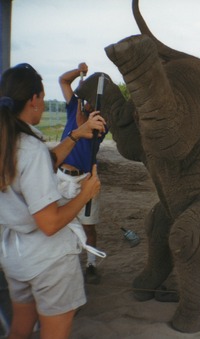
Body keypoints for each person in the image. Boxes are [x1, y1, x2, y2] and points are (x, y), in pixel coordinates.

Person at [0, 63, 106, 338]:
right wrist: (85, 193)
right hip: (48, 262)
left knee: (20, 328)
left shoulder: (8, 141)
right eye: (43, 98)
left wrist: (74, 135)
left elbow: (44, 161)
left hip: (16, 255)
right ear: (33, 100)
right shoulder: (31, 148)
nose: (44, 104)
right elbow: (49, 223)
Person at [58, 62, 108, 284]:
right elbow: (63, 80)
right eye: (85, 99)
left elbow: (83, 127)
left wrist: (81, 103)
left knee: (88, 226)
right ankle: (64, 265)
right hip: (61, 176)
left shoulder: (100, 123)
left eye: (90, 101)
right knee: (60, 222)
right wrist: (79, 73)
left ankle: (90, 265)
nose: (87, 103)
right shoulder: (73, 107)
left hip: (84, 179)